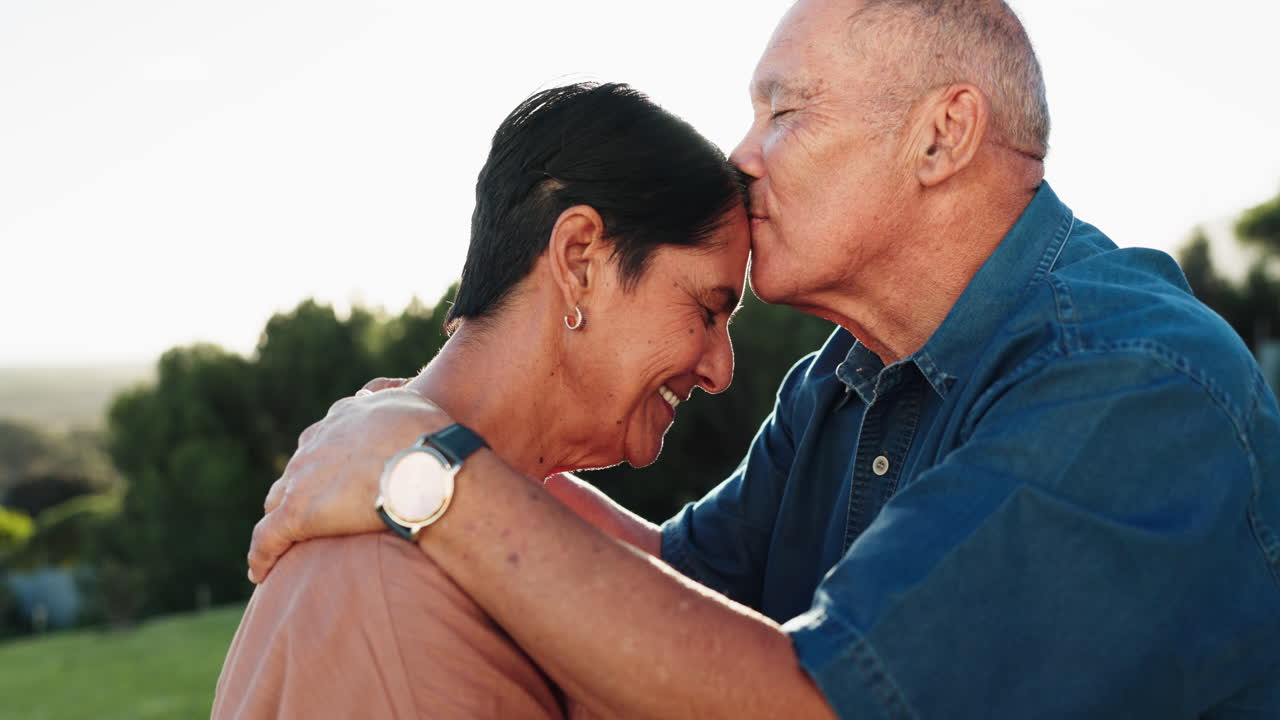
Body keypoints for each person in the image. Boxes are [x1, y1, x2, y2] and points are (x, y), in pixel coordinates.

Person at [246, 0, 1280, 717]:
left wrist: (426, 477)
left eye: (783, 111)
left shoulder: (1131, 387)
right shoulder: (841, 379)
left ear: (940, 135)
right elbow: (670, 599)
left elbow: (812, 703)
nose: (740, 156)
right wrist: (421, 428)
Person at [213, 81, 750, 719]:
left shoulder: (440, 525)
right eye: (707, 309)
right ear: (580, 258)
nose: (721, 369)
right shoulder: (400, 601)